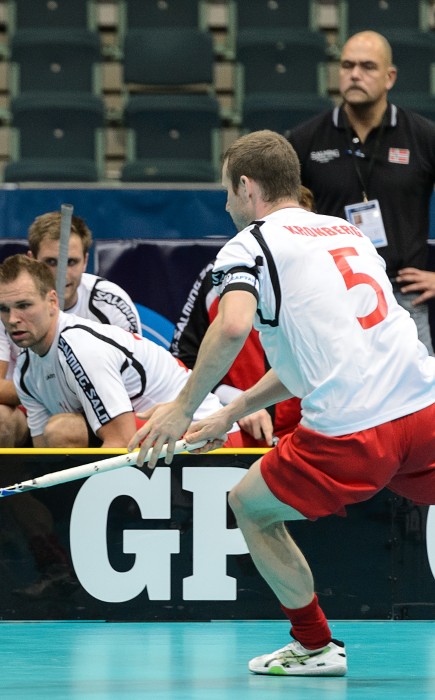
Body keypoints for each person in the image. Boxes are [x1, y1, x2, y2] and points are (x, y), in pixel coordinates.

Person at [131, 130, 435, 677]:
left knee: (250, 505)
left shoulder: (249, 244)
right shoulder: (345, 230)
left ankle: (314, 644)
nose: (225, 204)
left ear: (247, 186)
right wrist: (225, 413)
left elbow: (231, 327)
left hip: (354, 432)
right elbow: (307, 361)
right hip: (424, 409)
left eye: (227, 191)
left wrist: (182, 407)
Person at [0, 254, 240, 448]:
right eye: (4, 309)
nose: (13, 319)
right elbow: (44, 453)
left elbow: (120, 441)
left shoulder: (81, 348)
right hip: (156, 437)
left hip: (212, 437)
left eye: (24, 306)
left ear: (52, 302)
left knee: (64, 431)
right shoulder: (24, 373)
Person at [287, 30, 435, 354]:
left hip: (403, 297)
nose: (355, 74)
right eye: (347, 65)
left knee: (420, 402)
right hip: (328, 296)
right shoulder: (305, 139)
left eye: (367, 66)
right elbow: (281, 217)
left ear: (389, 77)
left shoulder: (423, 137)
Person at [0, 211, 140, 448]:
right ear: (31, 260)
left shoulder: (111, 302)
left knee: (63, 429)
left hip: (96, 412)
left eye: (71, 262)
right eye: (50, 262)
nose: (61, 275)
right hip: (29, 409)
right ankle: (2, 487)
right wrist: (50, 391)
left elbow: (129, 388)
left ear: (85, 259)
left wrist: (66, 391)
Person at [168, 187, 313, 447]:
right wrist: (234, 401)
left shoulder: (326, 285)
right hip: (235, 431)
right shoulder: (217, 279)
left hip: (314, 433)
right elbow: (182, 365)